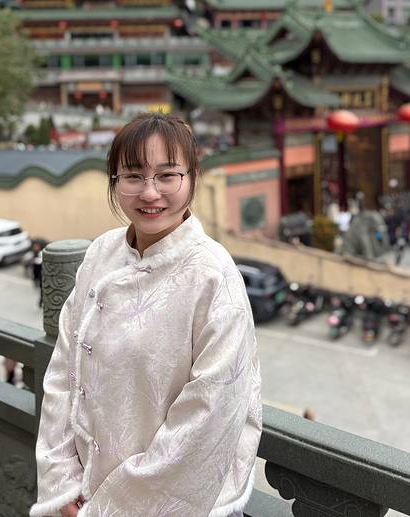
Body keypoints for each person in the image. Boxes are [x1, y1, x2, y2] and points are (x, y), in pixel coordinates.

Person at [31, 113, 262, 517]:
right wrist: (62, 482)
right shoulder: (101, 254)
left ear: (192, 178)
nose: (150, 193)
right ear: (115, 181)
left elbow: (209, 414)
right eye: (133, 176)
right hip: (84, 492)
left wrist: (108, 510)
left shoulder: (214, 276)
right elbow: (65, 370)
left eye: (167, 175)